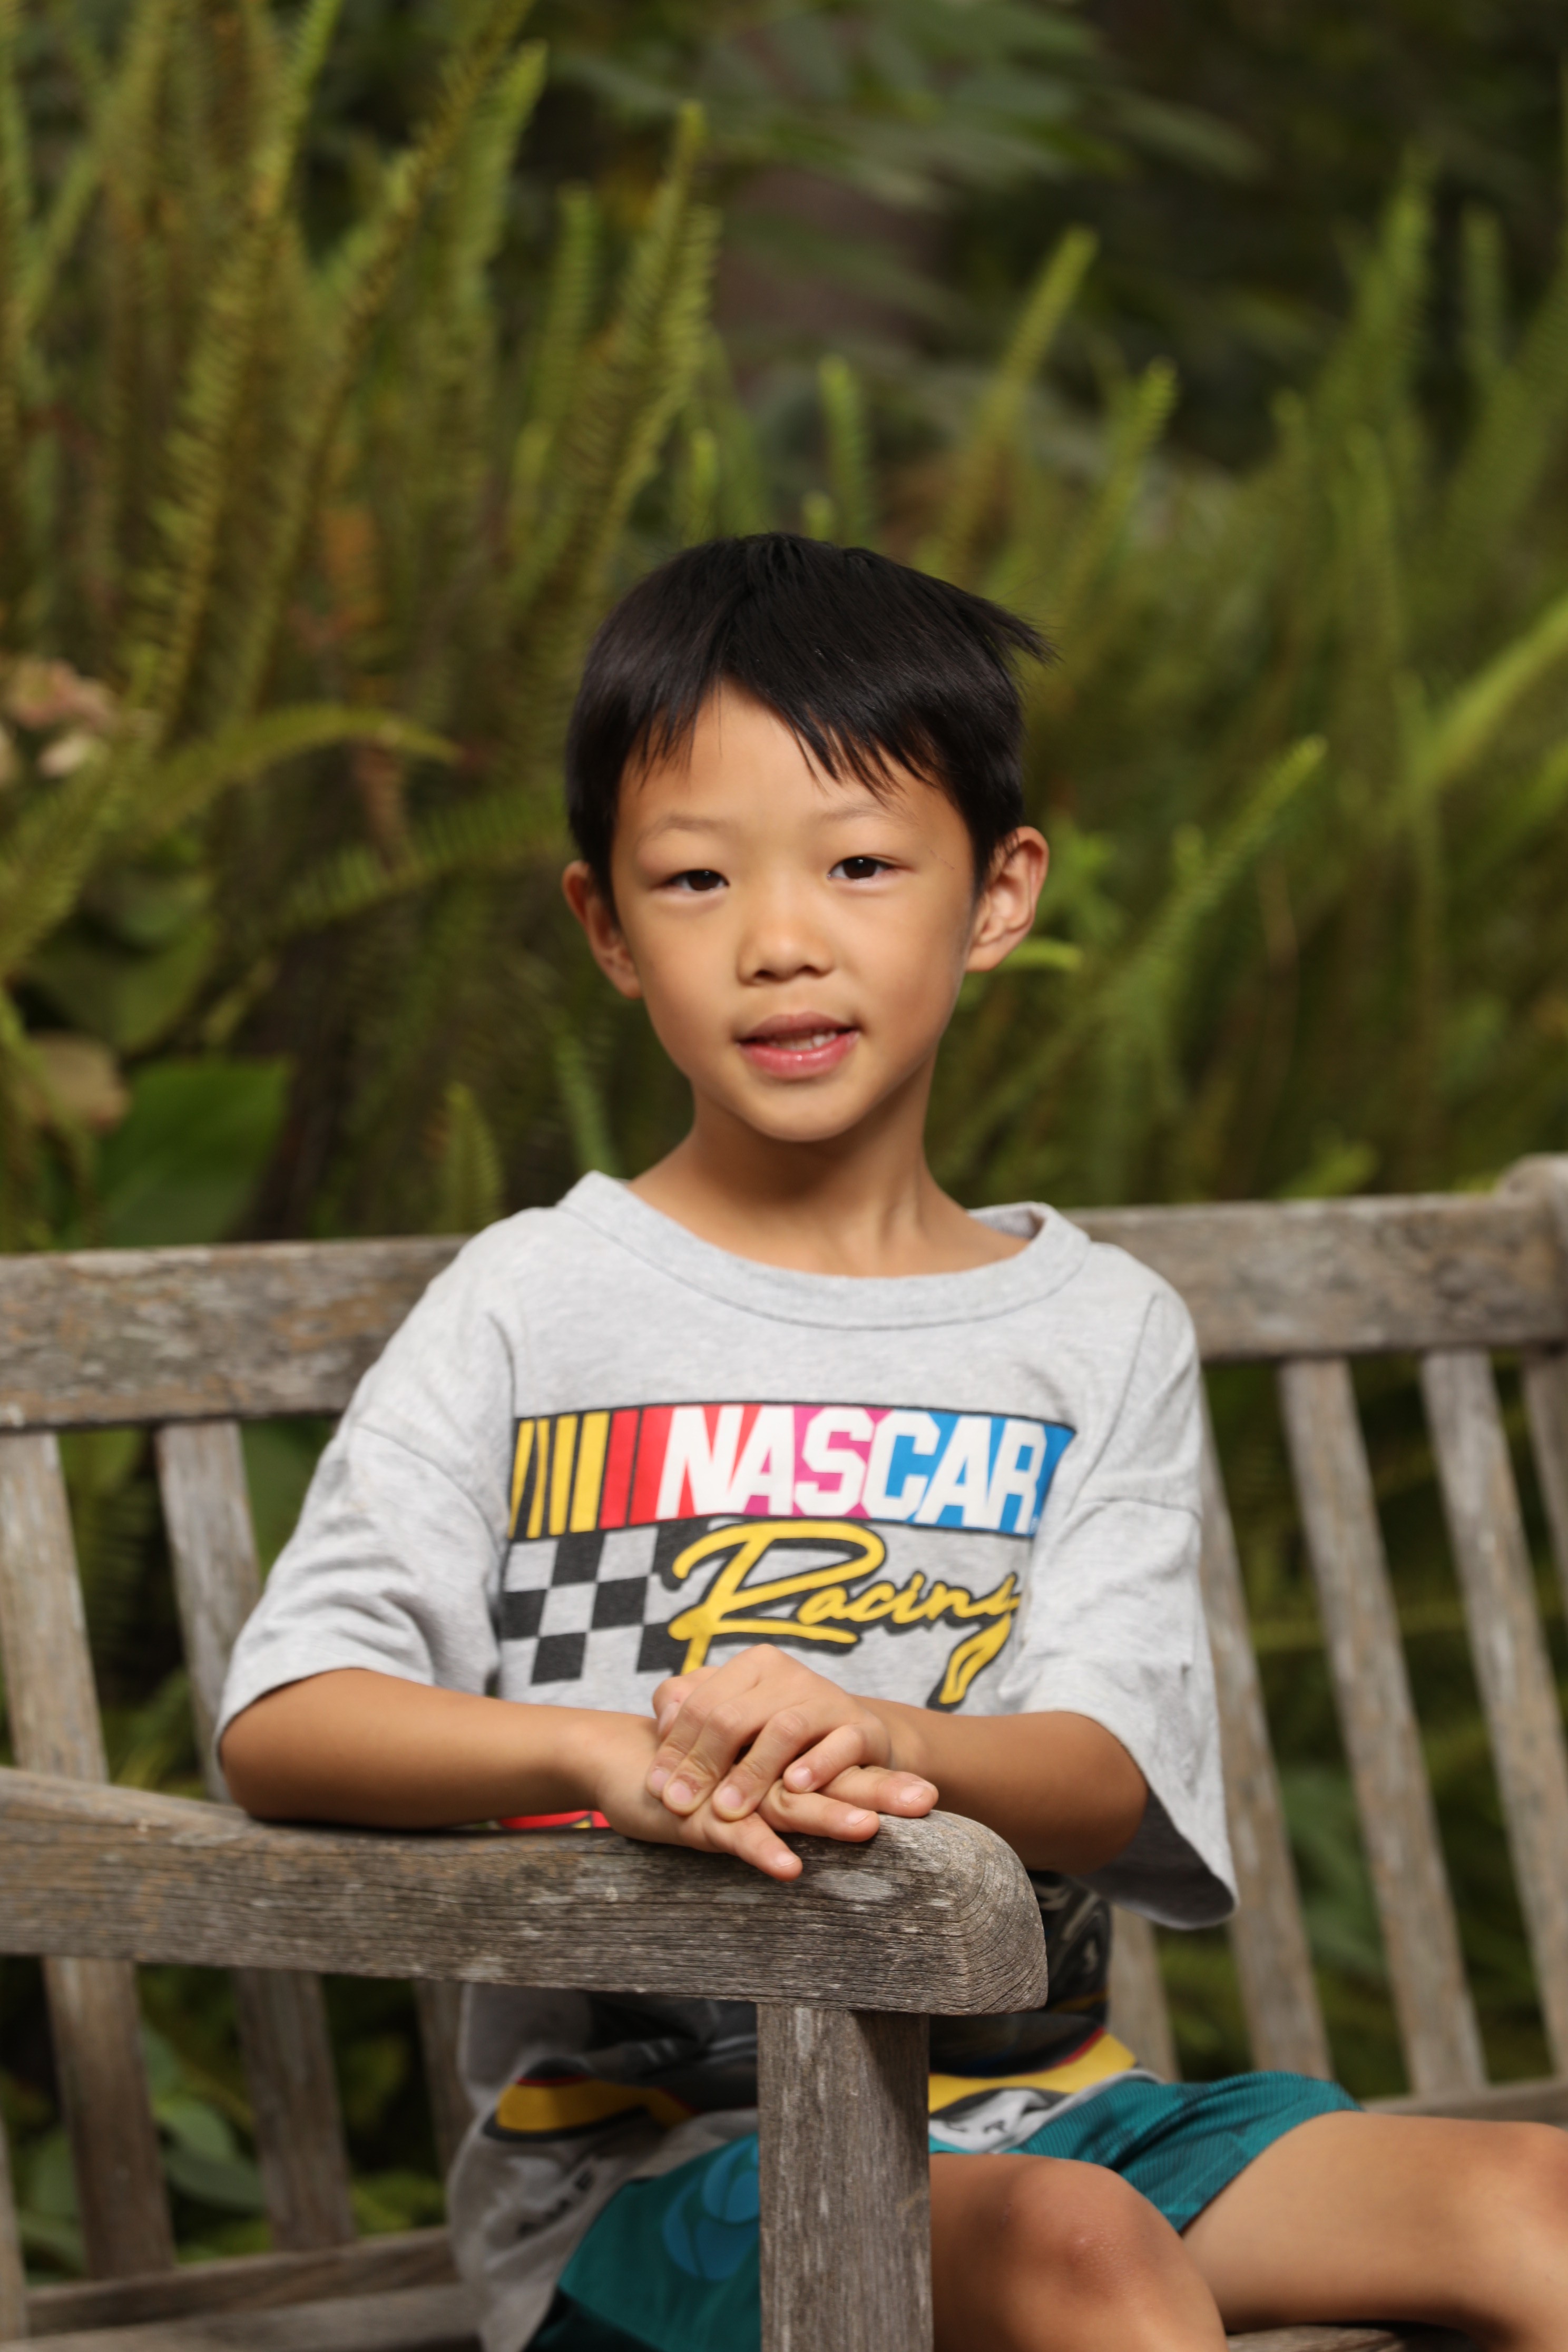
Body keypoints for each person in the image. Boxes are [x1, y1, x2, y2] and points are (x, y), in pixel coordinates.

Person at [218, 534, 1568, 2352]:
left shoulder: (1094, 1334)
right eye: (697, 878)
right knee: (1080, 2253)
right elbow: (286, 1717)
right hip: (656, 2179)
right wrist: (610, 1757)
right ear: (608, 929)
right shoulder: (538, 1305)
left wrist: (891, 1733)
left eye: (859, 864)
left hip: (1047, 2113)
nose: (781, 939)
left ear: (998, 894)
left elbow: (1103, 1772)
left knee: (1533, 2203)